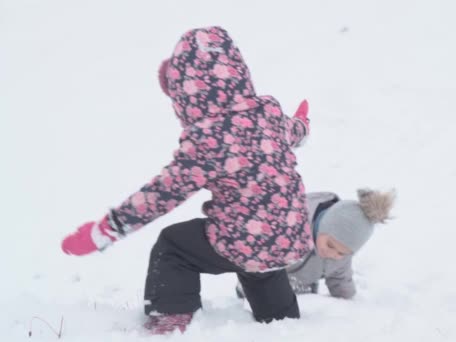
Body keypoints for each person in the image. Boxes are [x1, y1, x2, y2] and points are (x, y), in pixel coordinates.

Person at [60, 26, 312, 334]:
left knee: (174, 245)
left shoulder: (208, 136)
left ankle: (171, 319)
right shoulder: (268, 112)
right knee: (260, 255)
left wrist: (105, 231)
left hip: (246, 240)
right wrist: (302, 122)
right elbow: (293, 131)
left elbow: (163, 193)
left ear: (186, 95)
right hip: (291, 234)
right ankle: (282, 322)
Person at [236, 189, 395, 300]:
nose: (333, 254)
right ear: (324, 227)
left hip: (303, 290)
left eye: (342, 253)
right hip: (262, 280)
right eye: (331, 245)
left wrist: (348, 301)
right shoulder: (290, 224)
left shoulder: (339, 254)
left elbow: (339, 278)